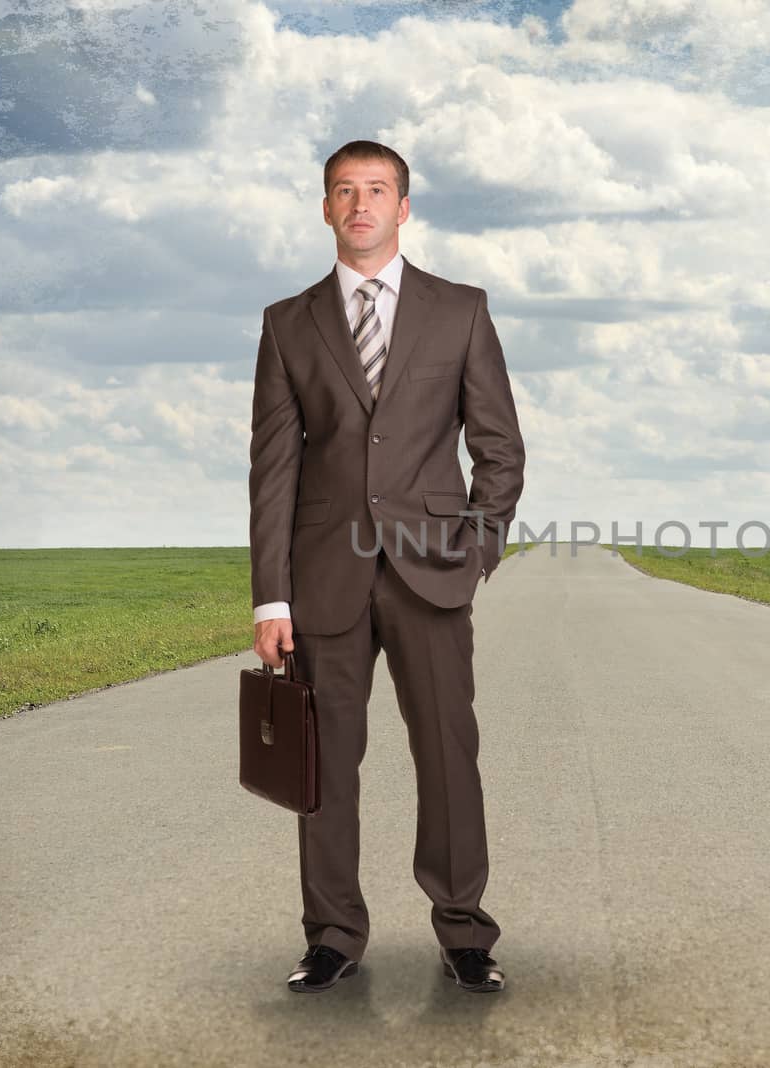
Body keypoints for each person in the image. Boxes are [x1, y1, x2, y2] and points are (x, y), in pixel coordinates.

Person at [247, 139, 525, 994]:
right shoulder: (287, 323)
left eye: (376, 190)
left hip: (432, 571)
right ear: (325, 208)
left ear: (404, 207)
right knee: (323, 764)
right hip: (324, 578)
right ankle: (332, 934)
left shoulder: (461, 310)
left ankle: (465, 930)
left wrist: (476, 551)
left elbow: (500, 448)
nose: (360, 204)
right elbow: (274, 466)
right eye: (343, 191)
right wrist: (272, 595)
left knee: (448, 752)